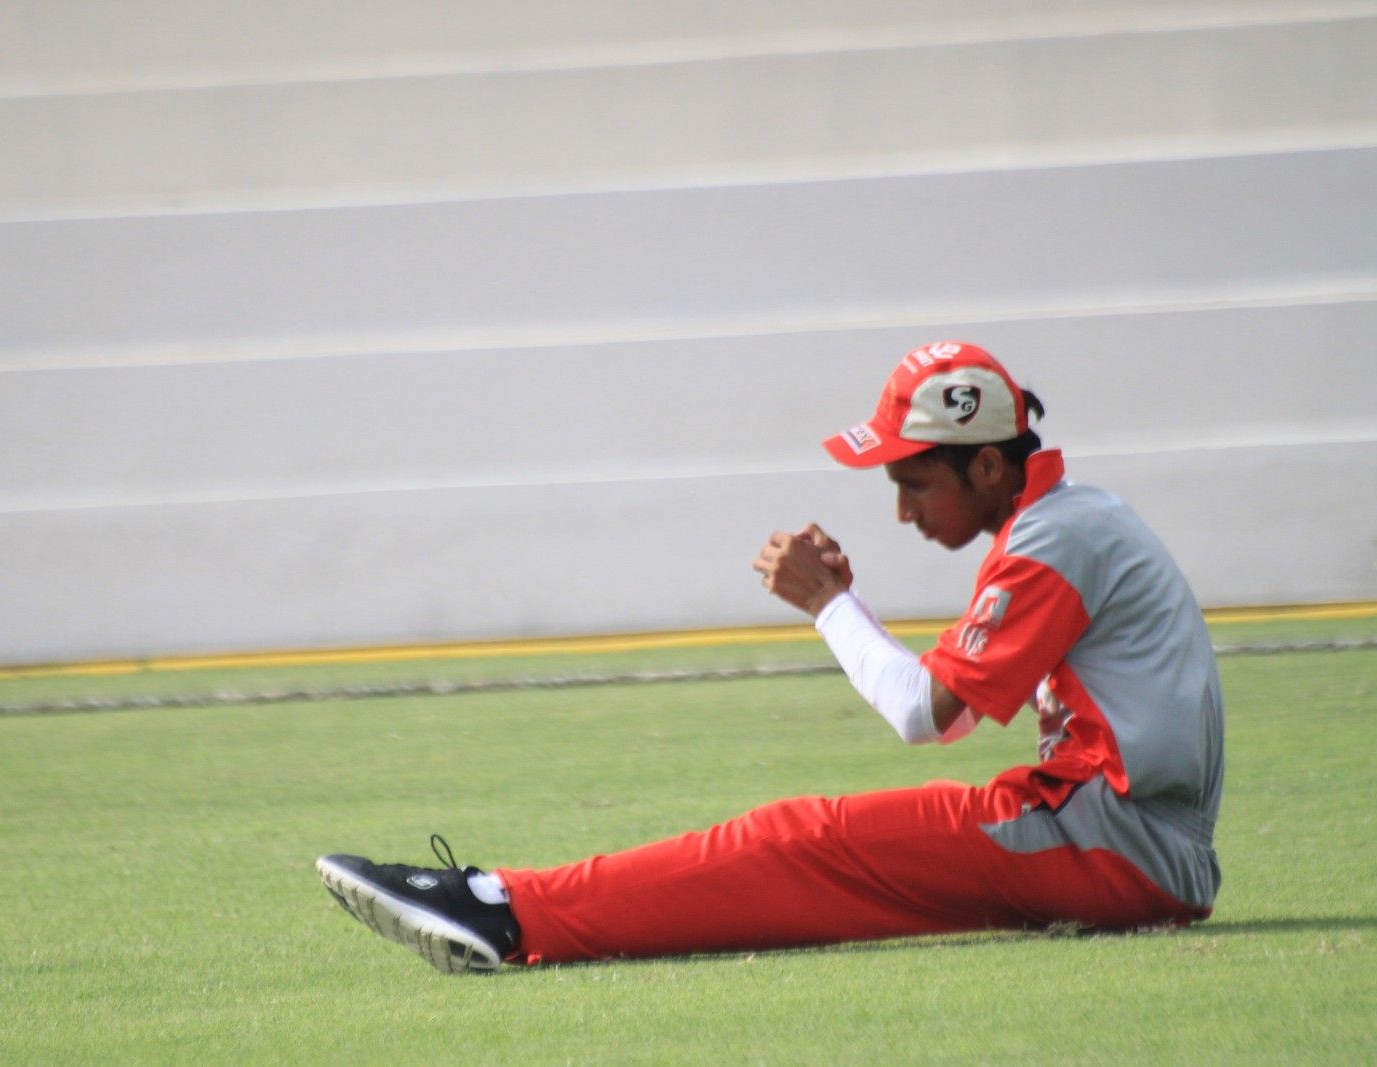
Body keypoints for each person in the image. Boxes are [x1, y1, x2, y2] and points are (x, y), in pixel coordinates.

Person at [317, 341, 1224, 974]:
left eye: (914, 482)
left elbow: (922, 715)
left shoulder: (1054, 539)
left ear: (988, 466)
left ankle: (504, 909)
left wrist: (828, 606)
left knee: (801, 842)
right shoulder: (1070, 520)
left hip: (1116, 845)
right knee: (806, 846)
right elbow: (949, 711)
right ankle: (508, 904)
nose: (902, 510)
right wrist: (842, 605)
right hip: (1125, 839)